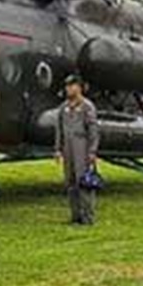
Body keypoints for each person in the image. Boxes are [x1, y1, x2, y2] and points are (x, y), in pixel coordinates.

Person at [54, 73, 101, 225]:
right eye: (67, 86)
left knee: (84, 182)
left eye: (72, 85)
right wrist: (57, 149)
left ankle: (88, 217)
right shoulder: (63, 108)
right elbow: (59, 129)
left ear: (79, 88)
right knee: (70, 182)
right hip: (68, 148)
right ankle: (75, 216)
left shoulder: (87, 107)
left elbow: (93, 130)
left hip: (82, 147)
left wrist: (92, 151)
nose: (69, 89)